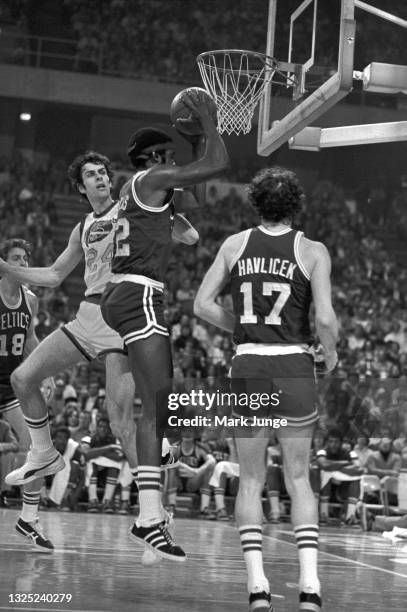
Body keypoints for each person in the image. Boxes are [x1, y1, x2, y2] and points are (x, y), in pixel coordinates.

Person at [194, 166, 338, 612]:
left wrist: (243, 327)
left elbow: (201, 304)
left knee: (251, 479)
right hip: (294, 363)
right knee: (298, 479)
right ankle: (310, 587)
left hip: (250, 362)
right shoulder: (312, 250)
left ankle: (258, 588)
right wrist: (329, 355)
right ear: (296, 203)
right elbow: (327, 320)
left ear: (255, 202)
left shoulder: (234, 245)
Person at [100, 88, 229, 562]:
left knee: (158, 405)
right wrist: (209, 121)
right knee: (160, 406)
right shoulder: (150, 179)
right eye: (169, 155)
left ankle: (153, 501)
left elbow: (192, 223)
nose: (174, 163)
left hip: (123, 295)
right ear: (154, 158)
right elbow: (217, 166)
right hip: (138, 293)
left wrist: (194, 144)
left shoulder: (145, 194)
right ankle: (149, 517)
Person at [0, 238, 54, 551]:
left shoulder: (30, 299)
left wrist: (43, 372)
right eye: (16, 258)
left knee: (40, 448)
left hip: (10, 384)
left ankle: (28, 519)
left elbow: (30, 337)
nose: (22, 263)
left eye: (25, 258)